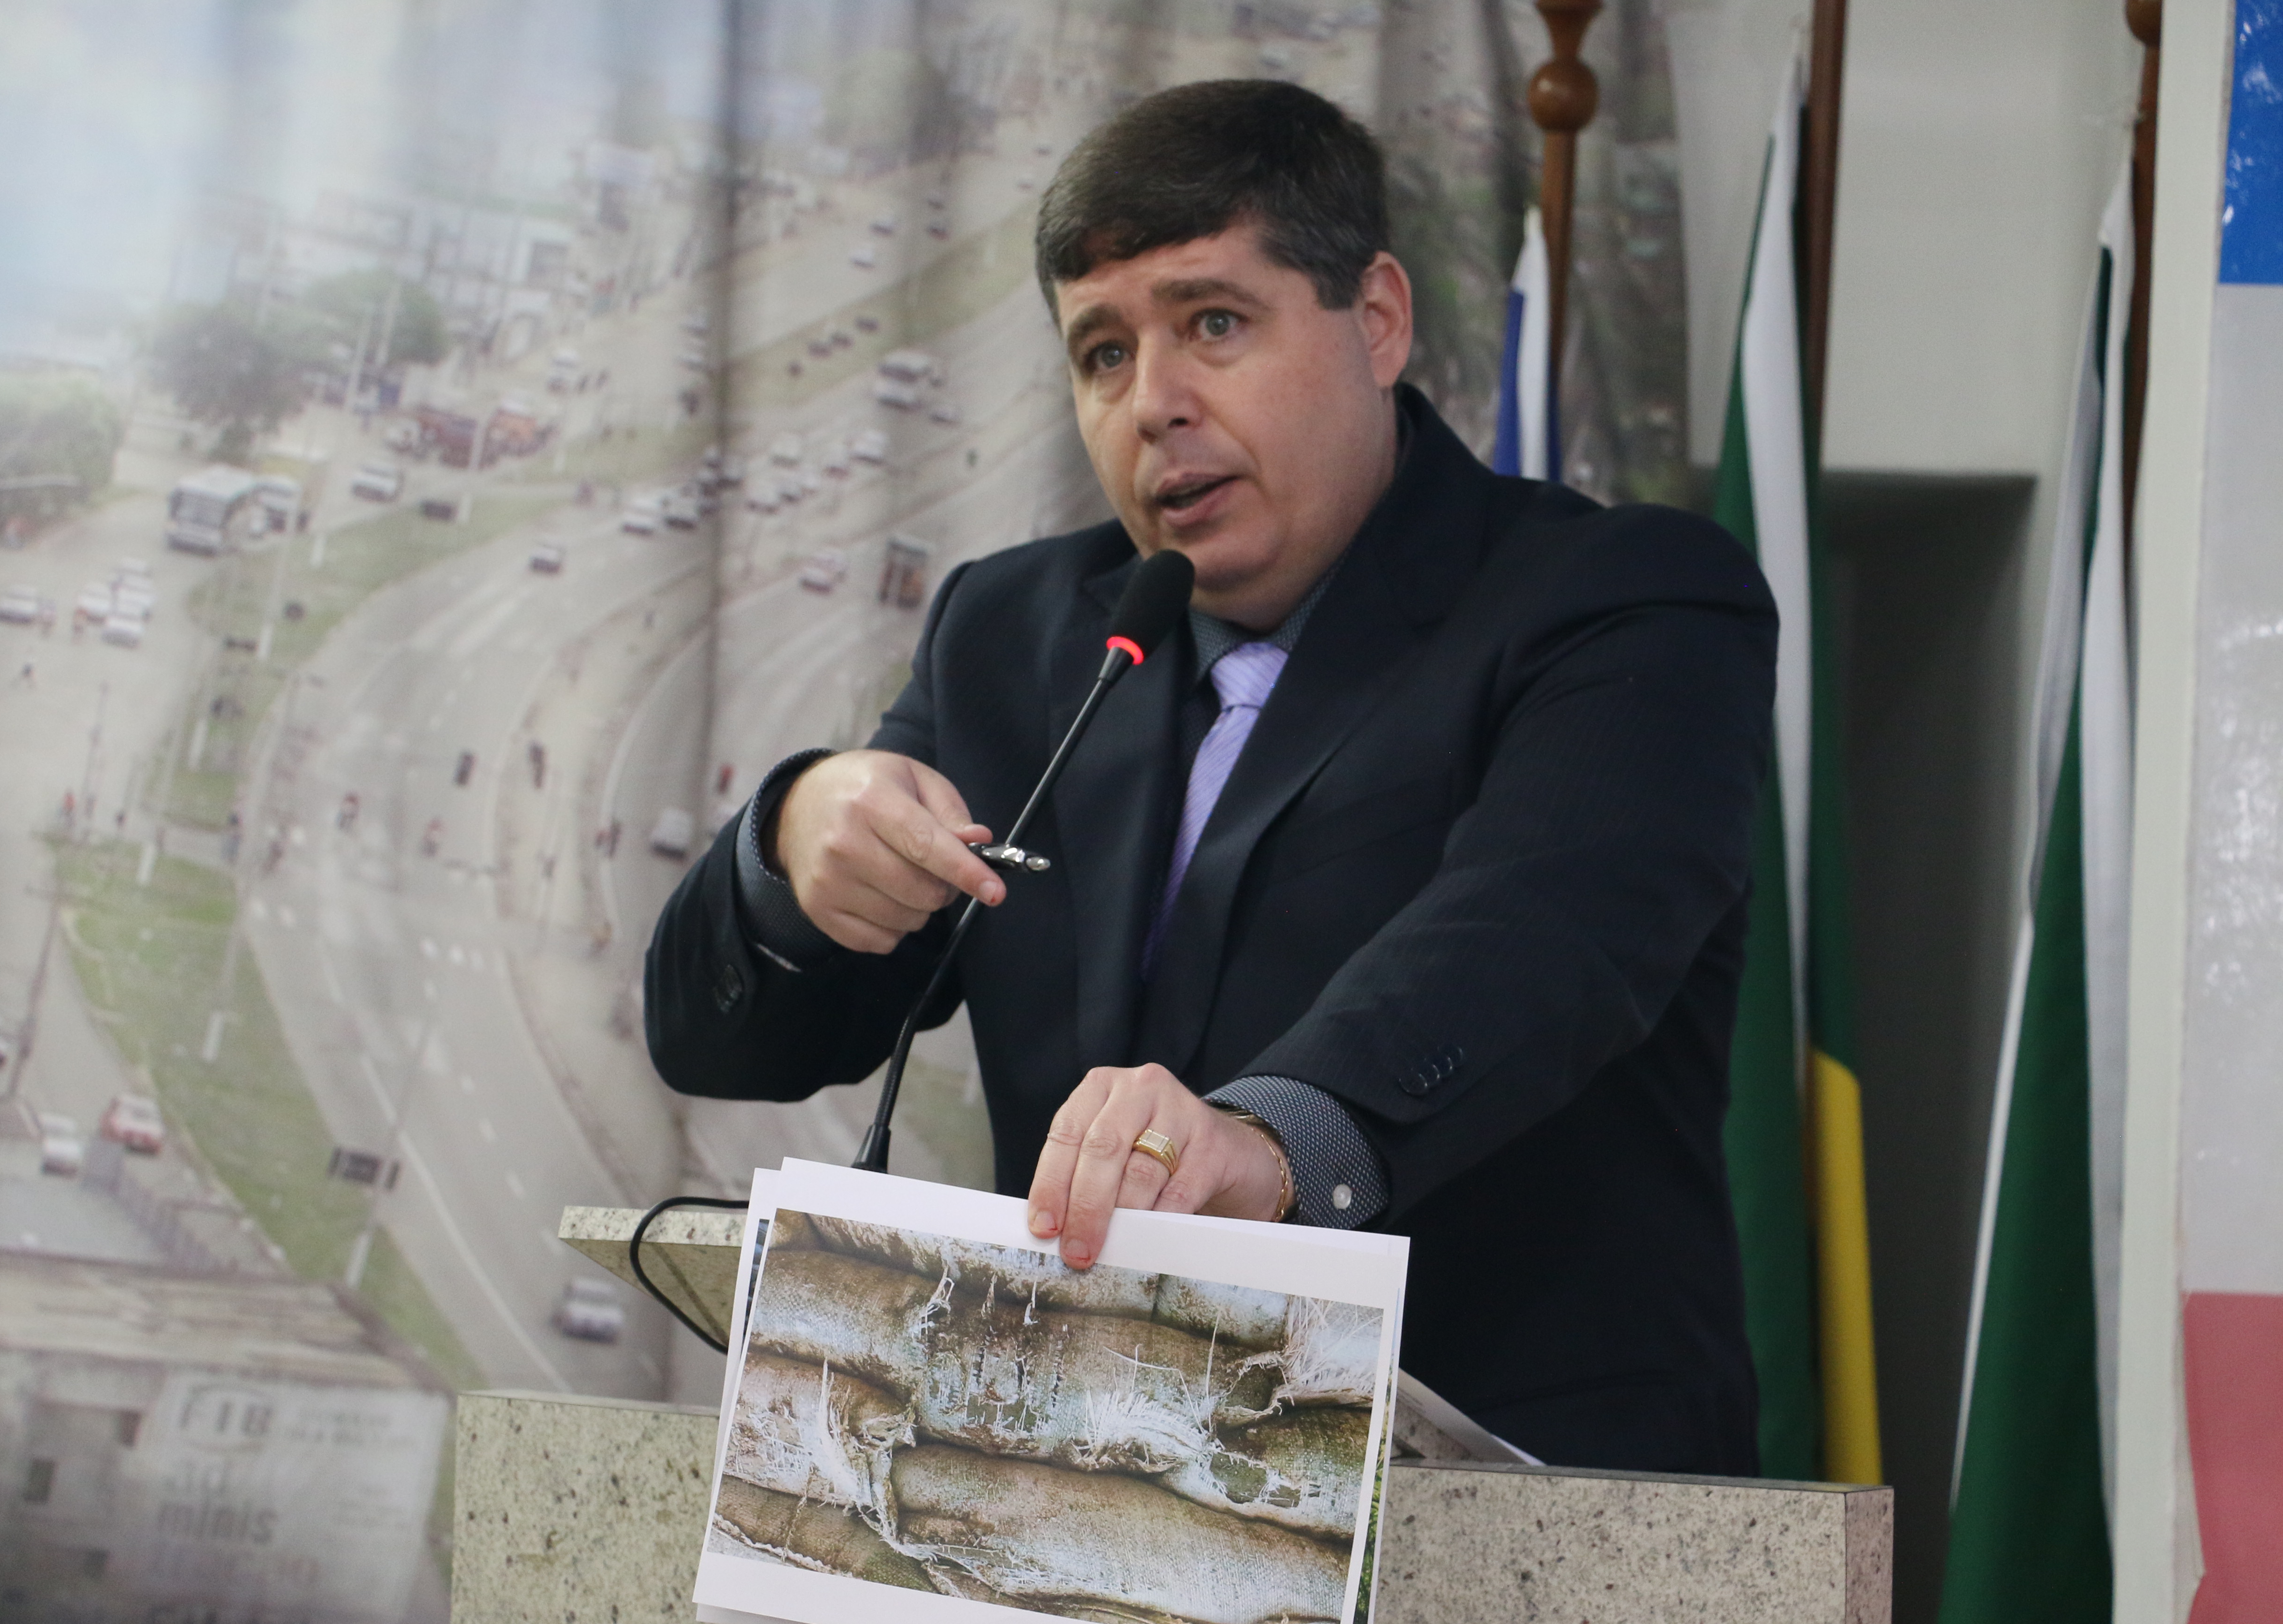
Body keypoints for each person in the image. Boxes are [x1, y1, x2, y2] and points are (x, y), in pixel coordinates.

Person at [644, 81, 1776, 1474]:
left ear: (1376, 319)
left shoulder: (1625, 599)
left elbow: (1540, 929)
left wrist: (1271, 1138)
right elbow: (737, 1045)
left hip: (1523, 1508)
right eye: (1104, 354)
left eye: (1216, 325)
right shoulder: (1013, 634)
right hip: (1085, 1495)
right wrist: (795, 842)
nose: (1156, 406)